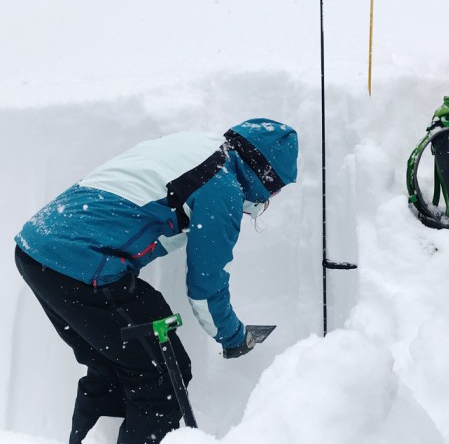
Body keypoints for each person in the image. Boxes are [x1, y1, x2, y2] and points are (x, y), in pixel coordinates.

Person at [14, 118, 298, 444]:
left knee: (112, 367)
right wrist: (234, 338)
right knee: (161, 375)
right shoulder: (223, 189)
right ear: (264, 175)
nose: (270, 198)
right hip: (82, 266)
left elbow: (153, 207)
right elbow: (206, 287)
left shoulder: (199, 147)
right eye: (275, 188)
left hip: (38, 251)